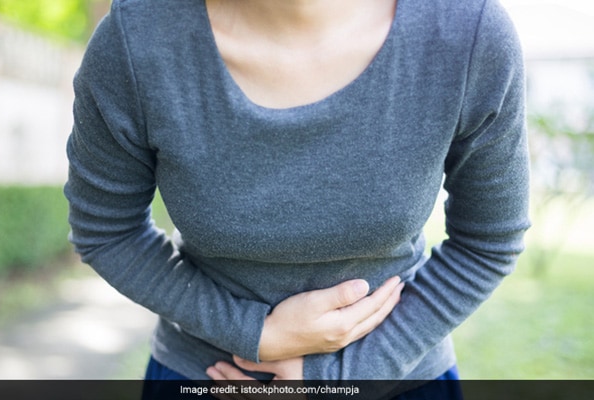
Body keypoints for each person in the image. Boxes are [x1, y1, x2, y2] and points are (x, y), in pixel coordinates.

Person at [64, 0, 530, 397]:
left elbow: (488, 242)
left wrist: (345, 376)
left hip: (396, 380)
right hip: (210, 378)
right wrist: (252, 334)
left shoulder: (469, 35)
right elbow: (107, 231)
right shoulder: (136, 41)